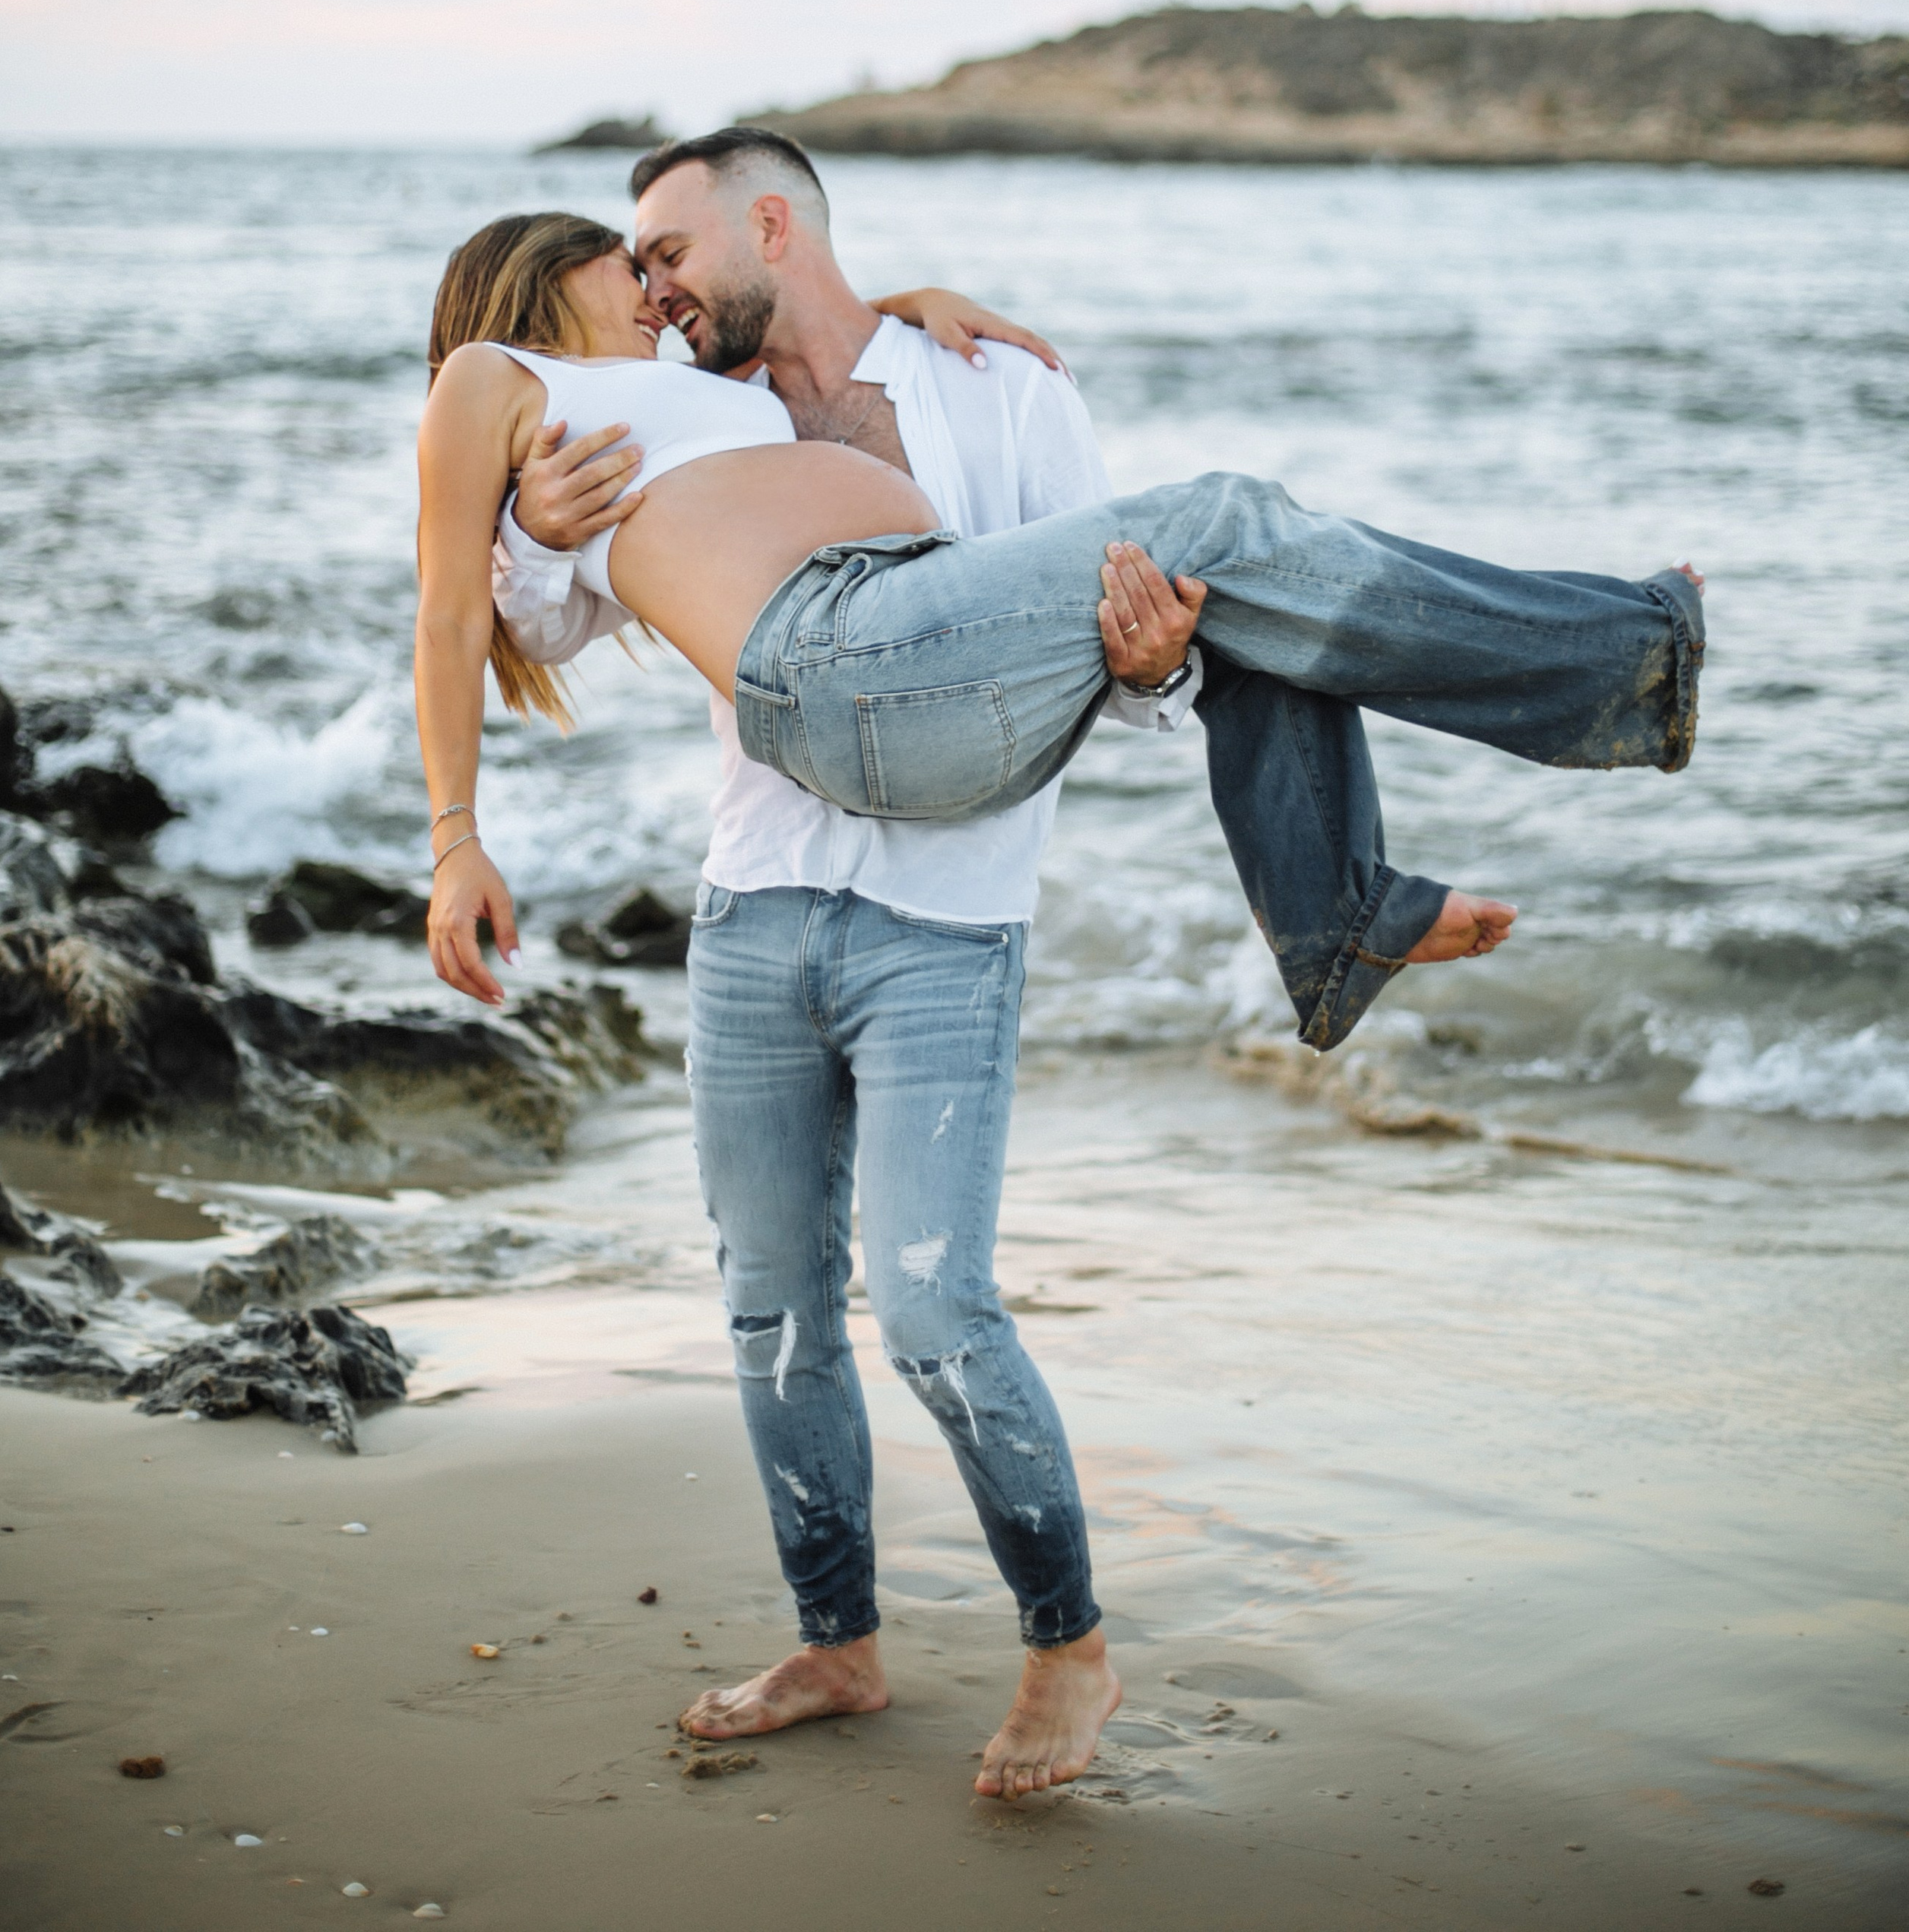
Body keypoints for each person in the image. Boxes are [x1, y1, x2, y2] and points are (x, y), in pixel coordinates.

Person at [415, 146, 1700, 1791]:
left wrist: (1151, 662)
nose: (656, 291)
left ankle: (1066, 1649)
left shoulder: (987, 383)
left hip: (941, 857)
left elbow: (1133, 660)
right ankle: (837, 1641)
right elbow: (502, 620)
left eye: (666, 253)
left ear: (770, 225)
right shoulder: (595, 405)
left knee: (1223, 562)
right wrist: (520, 565)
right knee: (771, 1307)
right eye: (631, 263)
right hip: (767, 880)